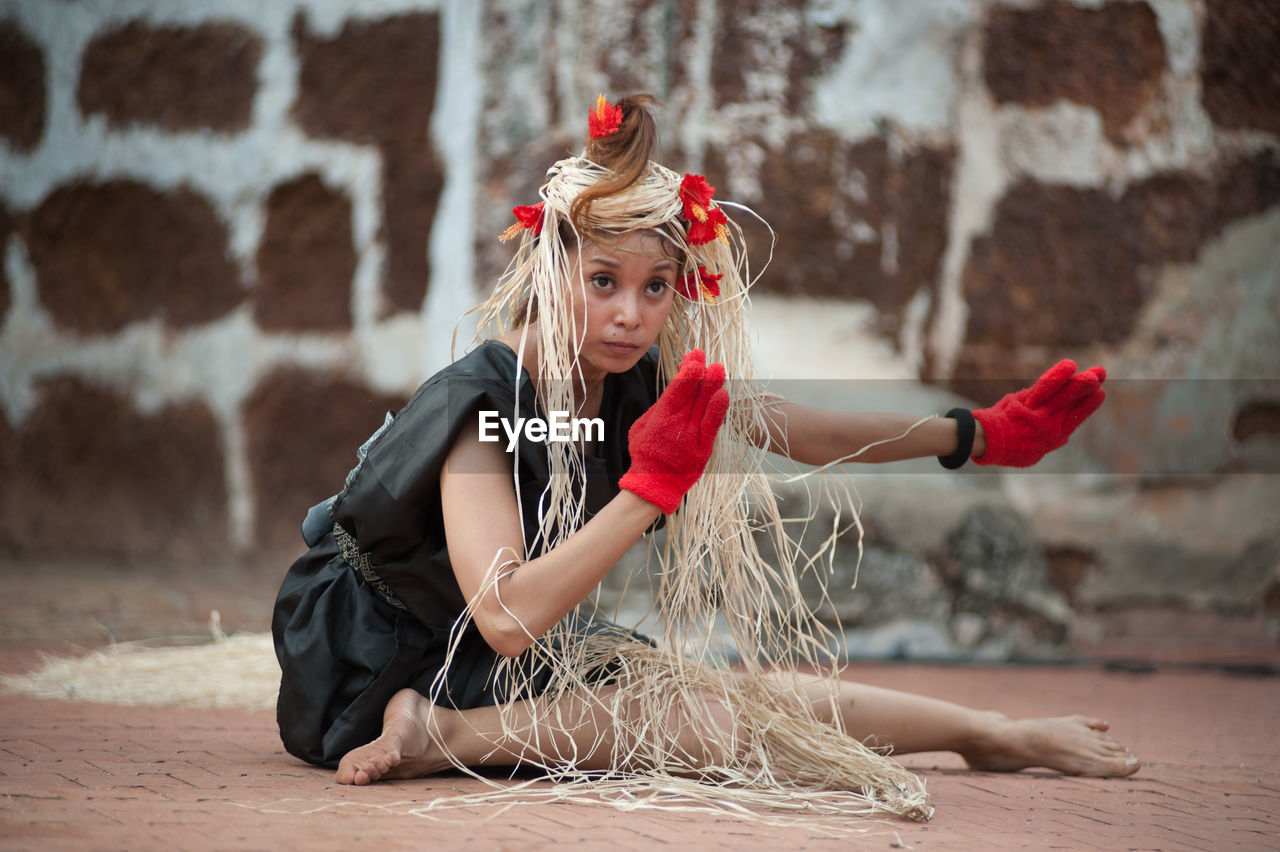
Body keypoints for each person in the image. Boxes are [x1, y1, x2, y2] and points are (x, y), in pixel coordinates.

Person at [272, 94, 1138, 821]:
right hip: (375, 660)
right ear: (547, 270)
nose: (631, 314)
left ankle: (984, 732)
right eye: (603, 280)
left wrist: (974, 434)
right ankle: (439, 737)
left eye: (655, 288)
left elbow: (797, 427)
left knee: (744, 700)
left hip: (495, 657)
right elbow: (501, 616)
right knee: (691, 721)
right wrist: (651, 489)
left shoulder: (634, 382)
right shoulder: (482, 406)